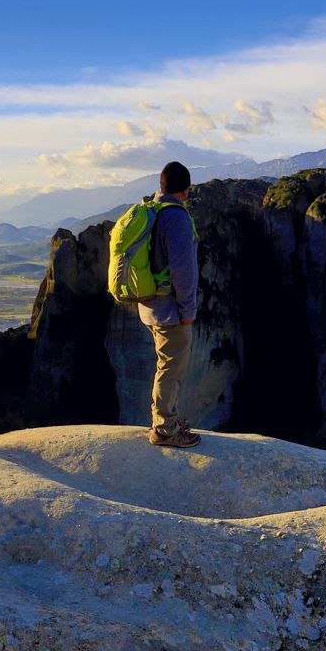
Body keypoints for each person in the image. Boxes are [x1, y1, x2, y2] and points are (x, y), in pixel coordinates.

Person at [140, 161, 201, 448]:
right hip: (170, 309)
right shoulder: (176, 218)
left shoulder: (152, 210)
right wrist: (188, 310)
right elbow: (183, 269)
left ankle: (168, 419)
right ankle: (164, 429)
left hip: (152, 304)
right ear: (186, 190)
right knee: (171, 368)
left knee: (166, 365)